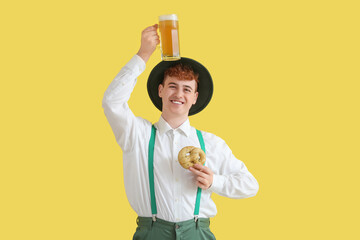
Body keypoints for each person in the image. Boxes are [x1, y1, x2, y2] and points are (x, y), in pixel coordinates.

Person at [102, 24, 259, 240]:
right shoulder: (137, 134)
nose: (179, 94)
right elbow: (112, 101)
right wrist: (143, 55)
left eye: (187, 89)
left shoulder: (211, 143)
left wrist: (215, 182)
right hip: (152, 232)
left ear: (195, 97)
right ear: (161, 91)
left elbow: (250, 185)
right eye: (172, 86)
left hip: (197, 232)